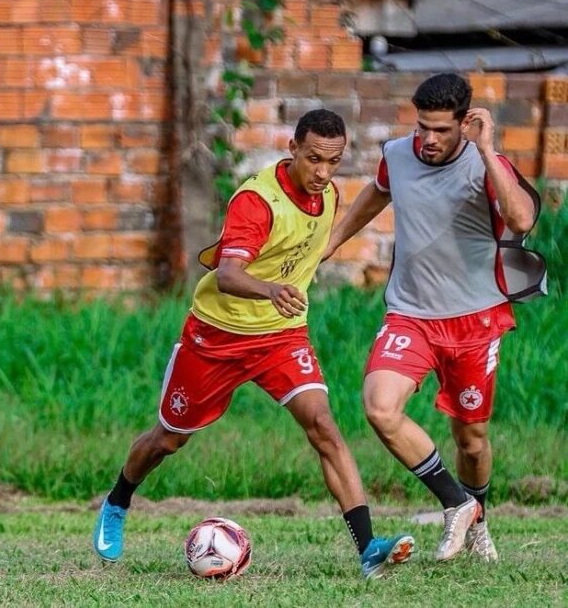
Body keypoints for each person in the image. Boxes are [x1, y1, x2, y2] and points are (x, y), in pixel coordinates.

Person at [93, 109, 414, 579]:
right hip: (217, 337)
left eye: (333, 161)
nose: (323, 172)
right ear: (292, 149)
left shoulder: (326, 196)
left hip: (281, 336)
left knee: (323, 425)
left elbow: (312, 245)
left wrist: (294, 282)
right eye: (314, 159)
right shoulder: (256, 201)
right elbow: (227, 275)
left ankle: (368, 549)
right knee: (168, 439)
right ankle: (118, 500)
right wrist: (271, 290)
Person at [325, 73, 543, 563]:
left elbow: (521, 219)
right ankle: (456, 502)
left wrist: (486, 150)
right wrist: (333, 242)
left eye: (441, 130)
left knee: (472, 439)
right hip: (410, 314)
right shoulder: (397, 155)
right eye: (422, 126)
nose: (427, 138)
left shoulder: (485, 163)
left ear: (465, 123)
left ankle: (477, 521)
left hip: (475, 319)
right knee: (380, 408)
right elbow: (376, 192)